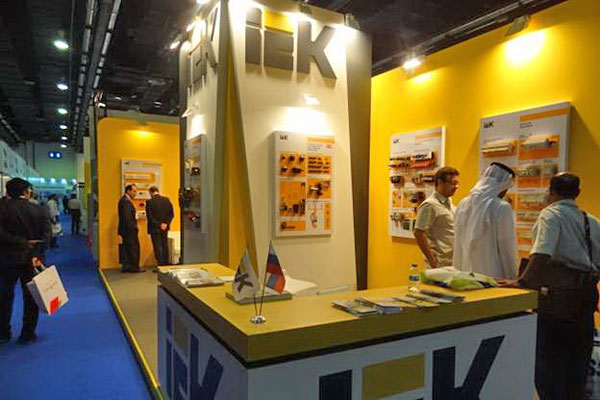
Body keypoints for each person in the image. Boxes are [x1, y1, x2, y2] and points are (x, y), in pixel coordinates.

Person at [505, 173, 600, 399]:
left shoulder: (551, 215)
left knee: (549, 367)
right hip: (585, 301)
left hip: (557, 303)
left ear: (550, 192)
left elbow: (541, 254)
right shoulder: (592, 221)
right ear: (577, 193)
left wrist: (523, 282)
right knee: (577, 367)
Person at [0, 178, 51, 344]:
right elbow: (47, 235)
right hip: (32, 260)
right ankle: (28, 333)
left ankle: (3, 332)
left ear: (8, 192)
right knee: (31, 296)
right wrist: (36, 253)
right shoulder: (39, 209)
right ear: (26, 192)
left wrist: (19, 242)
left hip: (7, 259)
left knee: (4, 296)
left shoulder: (2, 208)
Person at [453, 162, 518, 278]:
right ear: (502, 186)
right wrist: (511, 276)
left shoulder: (463, 203)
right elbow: (507, 247)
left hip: (465, 275)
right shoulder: (501, 207)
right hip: (493, 277)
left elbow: (458, 244)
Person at [413, 167, 459, 268]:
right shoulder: (430, 205)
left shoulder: (450, 204)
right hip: (439, 263)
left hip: (452, 261)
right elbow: (419, 232)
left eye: (457, 183)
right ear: (440, 182)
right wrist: (431, 259)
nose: (456, 187)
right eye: (452, 183)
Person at [146, 186, 174, 269]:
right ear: (158, 191)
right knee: (164, 245)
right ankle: (166, 264)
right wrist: (166, 223)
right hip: (165, 228)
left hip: (155, 228)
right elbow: (171, 214)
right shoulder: (166, 200)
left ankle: (160, 265)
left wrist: (159, 224)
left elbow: (150, 217)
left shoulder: (149, 202)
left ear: (150, 192)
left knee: (157, 246)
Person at [118, 185, 144, 273]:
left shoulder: (124, 201)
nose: (135, 193)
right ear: (128, 191)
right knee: (133, 248)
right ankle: (134, 267)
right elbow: (127, 217)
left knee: (128, 248)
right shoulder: (125, 202)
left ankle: (127, 266)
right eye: (134, 191)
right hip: (129, 230)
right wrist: (134, 227)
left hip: (126, 230)